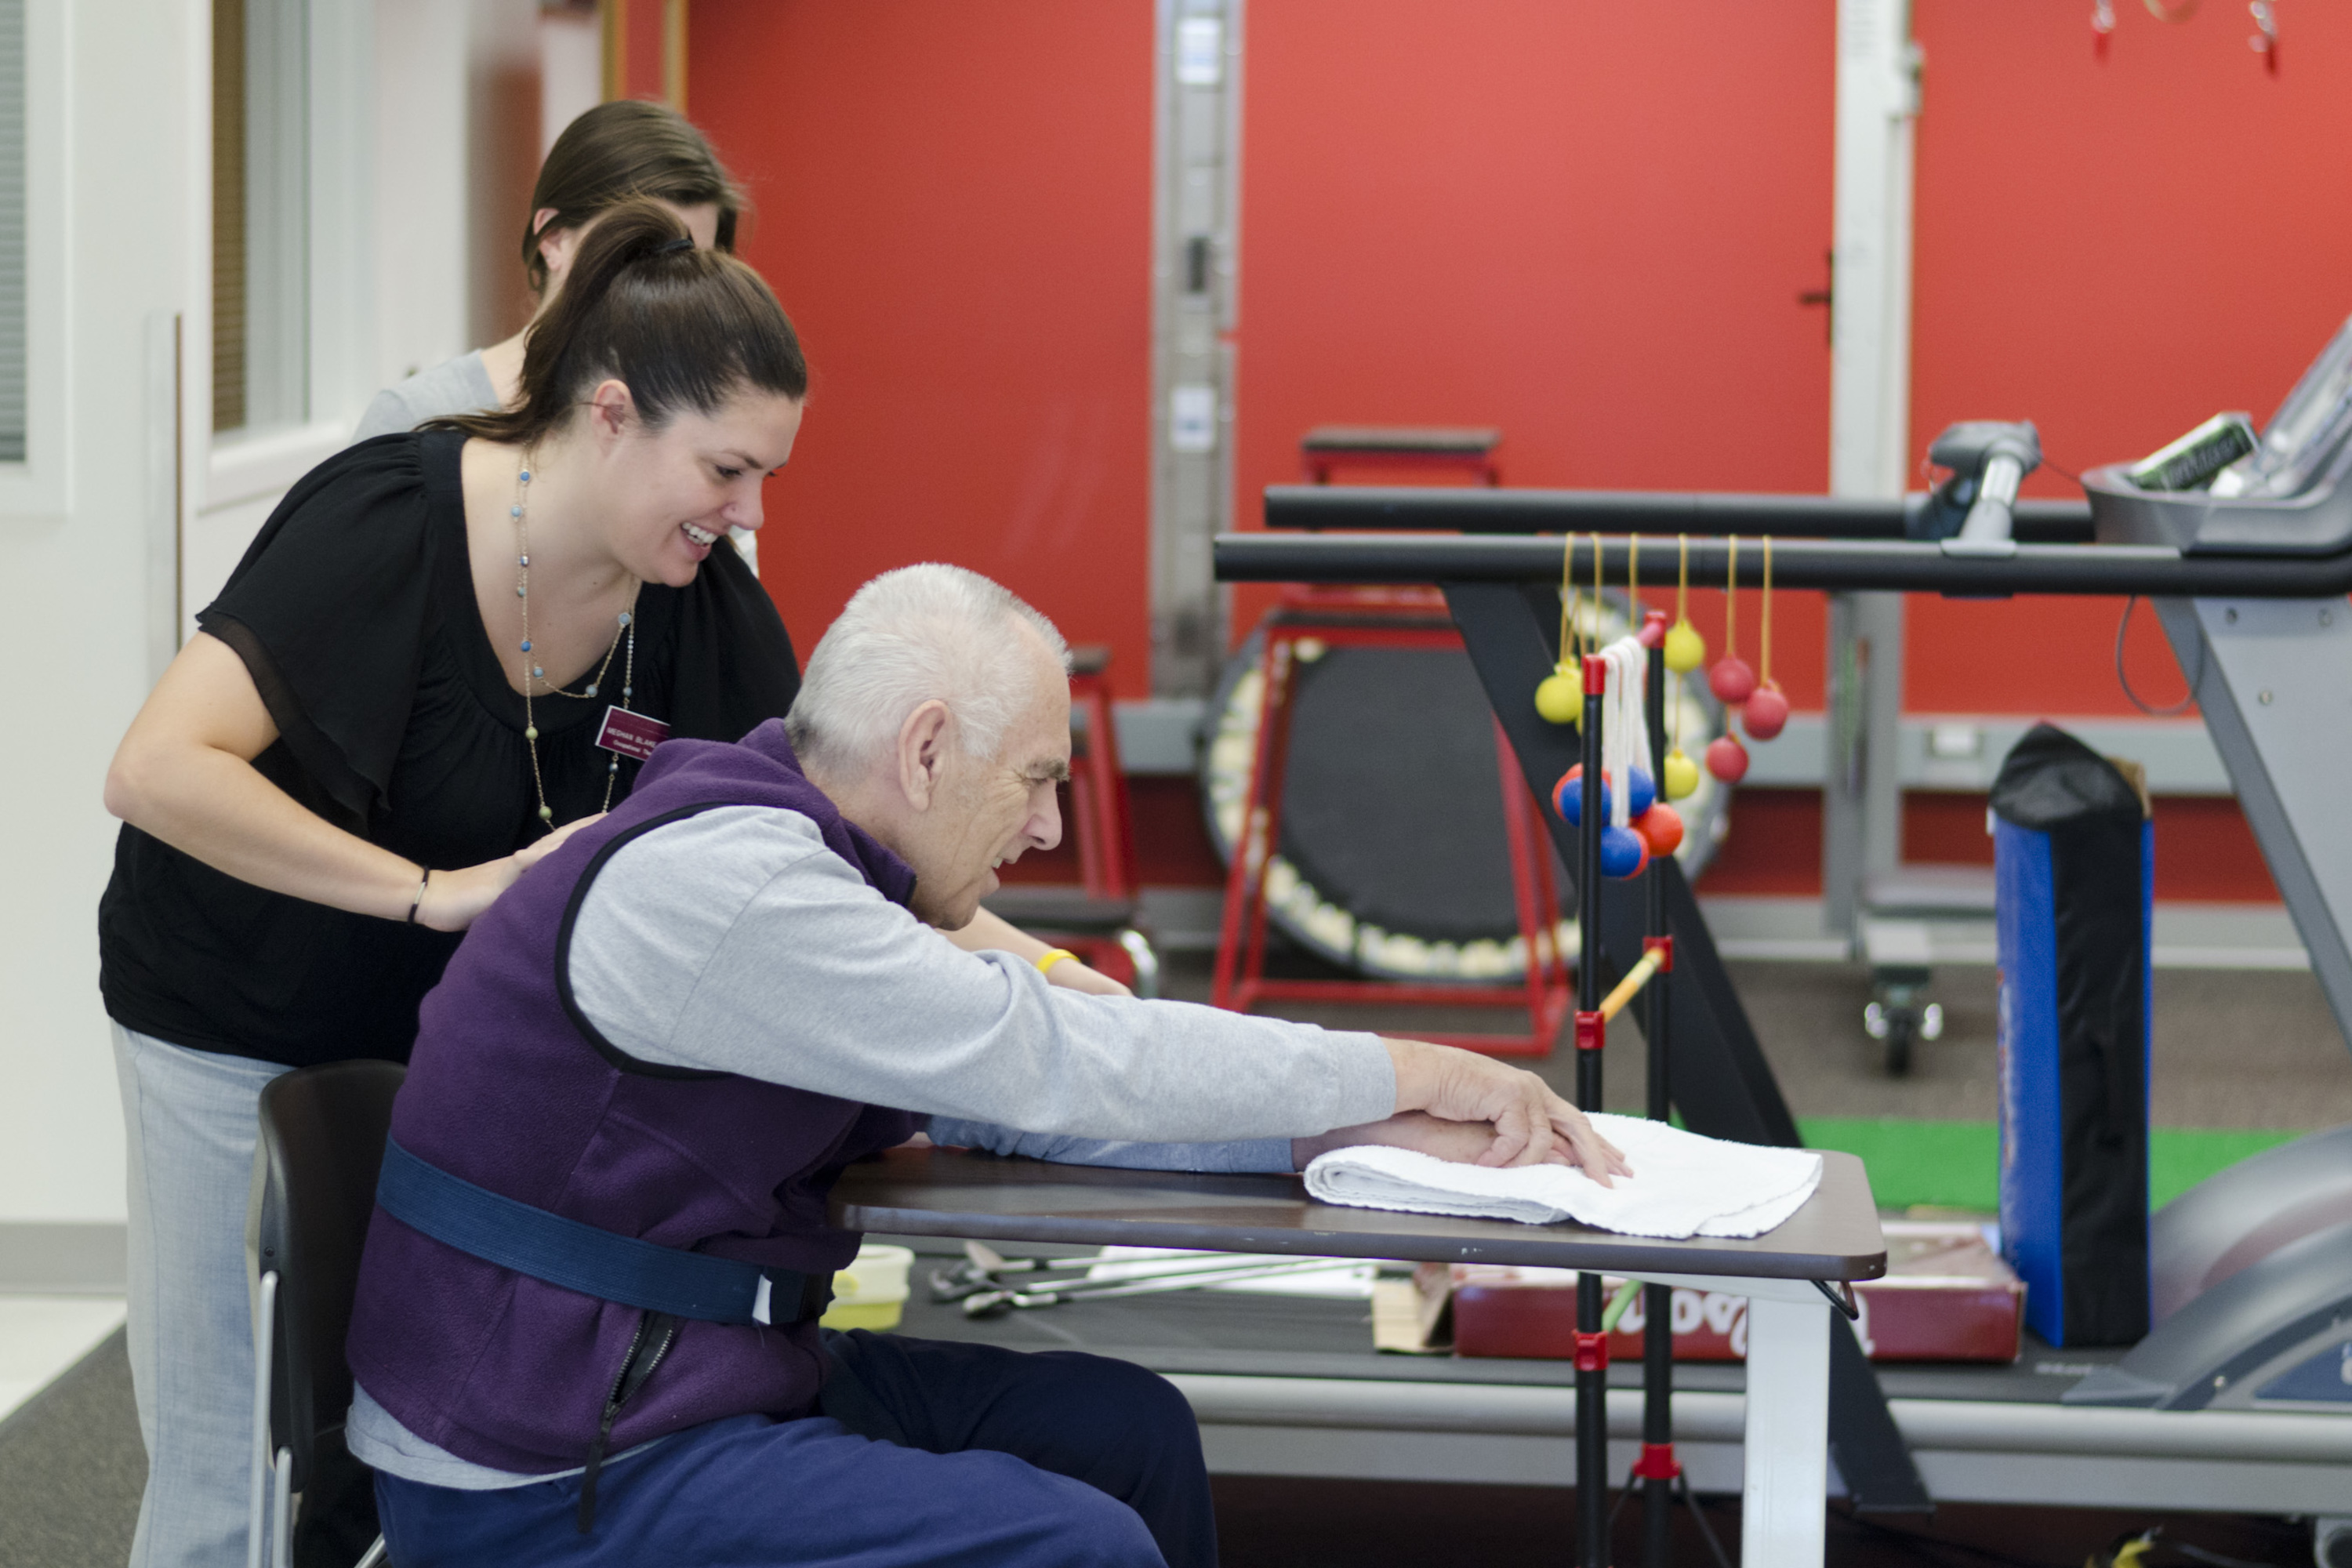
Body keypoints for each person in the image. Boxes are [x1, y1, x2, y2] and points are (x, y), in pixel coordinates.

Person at [344, 564, 1629, 1568]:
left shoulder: (813, 873)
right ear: (924, 749)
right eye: (1032, 781)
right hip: (540, 1460)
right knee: (1076, 1548)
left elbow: (1024, 1103)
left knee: (1130, 1436)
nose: (1049, 826)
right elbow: (1048, 1055)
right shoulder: (736, 893)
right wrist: (1405, 1065)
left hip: (670, 1374)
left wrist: (1340, 1139)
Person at [103, 200, 828, 1568]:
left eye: (766, 475)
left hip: (434, 1057)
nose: (751, 513)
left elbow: (815, 835)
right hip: (227, 1006)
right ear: (611, 415)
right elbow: (154, 769)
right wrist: (432, 890)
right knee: (230, 1469)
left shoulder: (696, 600)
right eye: (728, 470)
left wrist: (1018, 961)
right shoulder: (390, 516)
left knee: (386, 1460)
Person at [353, 99, 742, 441]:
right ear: (554, 239)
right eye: (640, 252)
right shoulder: (417, 419)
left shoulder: (697, 418)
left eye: (690, 265)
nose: (666, 285)